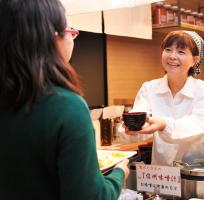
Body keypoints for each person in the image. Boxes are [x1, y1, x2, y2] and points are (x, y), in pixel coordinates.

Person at [0, 0, 129, 200]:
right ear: (52, 38)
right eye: (70, 30)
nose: (73, 38)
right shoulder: (66, 106)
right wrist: (119, 174)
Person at [125, 30, 204, 166]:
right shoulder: (149, 88)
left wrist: (164, 125)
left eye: (181, 52)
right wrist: (133, 127)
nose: (172, 56)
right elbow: (140, 118)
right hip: (162, 174)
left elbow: (197, 125)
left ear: (194, 60)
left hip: (196, 171)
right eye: (168, 50)